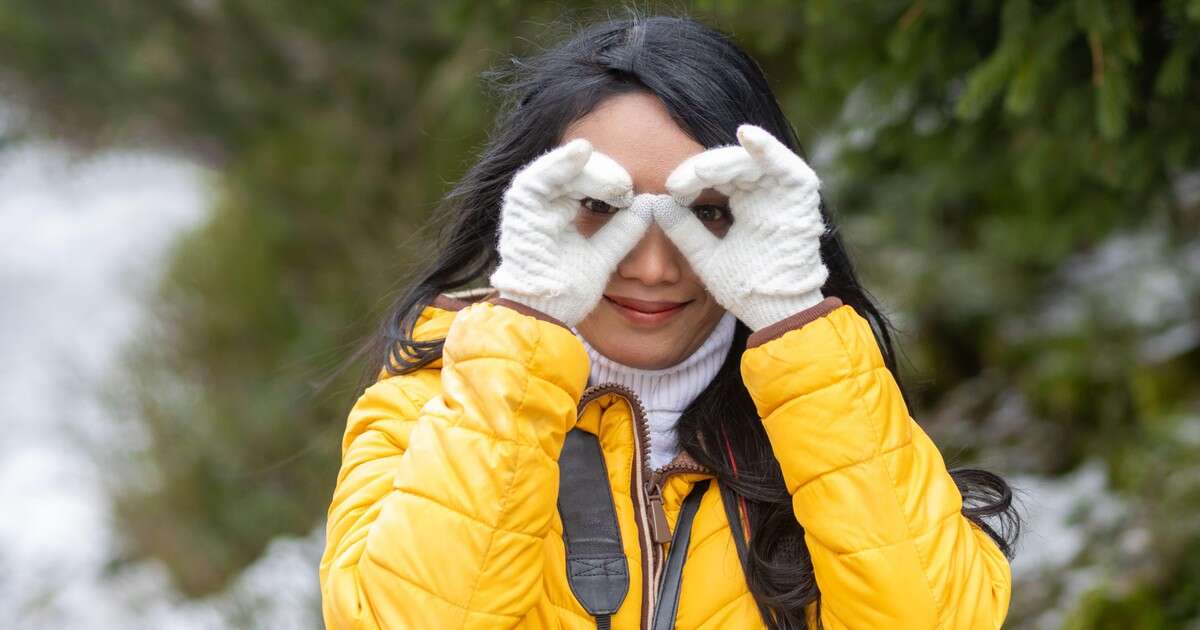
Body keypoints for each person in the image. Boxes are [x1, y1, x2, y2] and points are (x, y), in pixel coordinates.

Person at [319, 13, 1019, 630]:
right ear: (529, 207)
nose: (652, 266)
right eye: (600, 206)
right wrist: (526, 322)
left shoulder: (827, 417)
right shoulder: (425, 410)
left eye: (706, 209)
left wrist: (794, 317)